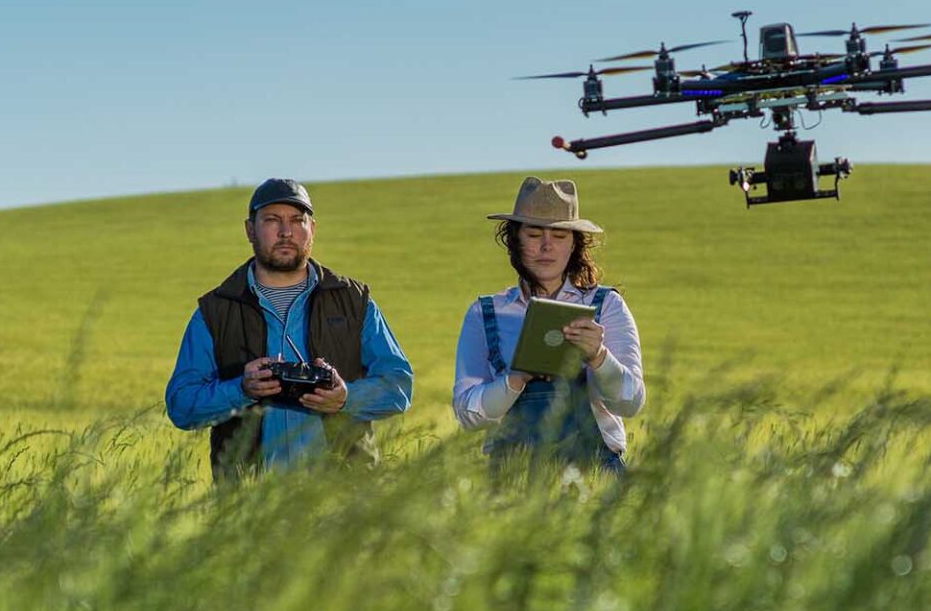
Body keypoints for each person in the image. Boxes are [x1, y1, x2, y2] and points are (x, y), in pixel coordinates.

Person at [166, 178, 413, 477]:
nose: (286, 232)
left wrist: (346, 398)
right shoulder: (215, 312)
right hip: (249, 501)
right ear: (249, 229)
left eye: (298, 220)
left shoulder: (354, 302)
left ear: (313, 229)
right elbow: (181, 405)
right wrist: (241, 389)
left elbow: (399, 385)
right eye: (272, 220)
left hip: (347, 499)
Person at [453, 176, 645, 471]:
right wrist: (515, 379)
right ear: (514, 239)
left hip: (595, 475)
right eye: (533, 235)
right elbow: (468, 415)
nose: (547, 247)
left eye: (559, 237)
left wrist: (599, 357)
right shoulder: (484, 313)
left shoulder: (607, 305)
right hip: (511, 479)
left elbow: (630, 403)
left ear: (573, 245)